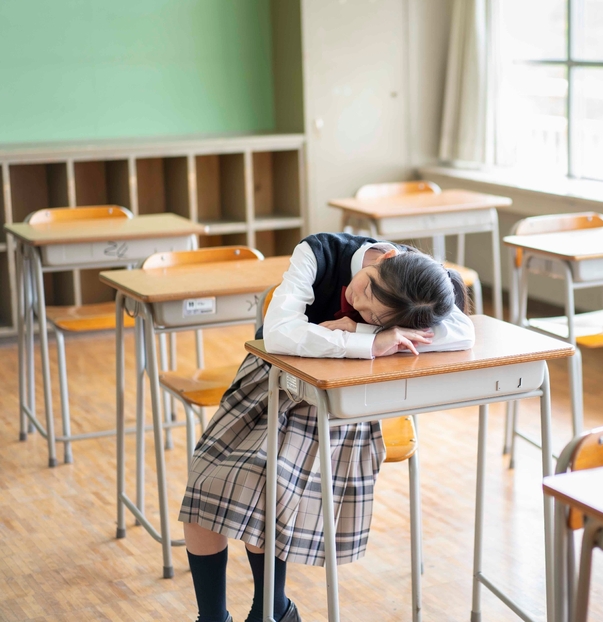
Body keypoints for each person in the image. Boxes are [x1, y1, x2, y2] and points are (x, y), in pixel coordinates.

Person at [178, 232, 475, 622]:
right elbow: (280, 332)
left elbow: (464, 332)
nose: (357, 303)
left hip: (336, 400)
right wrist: (367, 340)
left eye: (373, 316)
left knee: (266, 486)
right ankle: (216, 617)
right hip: (268, 380)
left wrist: (357, 331)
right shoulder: (318, 253)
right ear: (381, 258)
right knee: (203, 490)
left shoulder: (424, 288)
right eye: (368, 289)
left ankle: (270, 610)